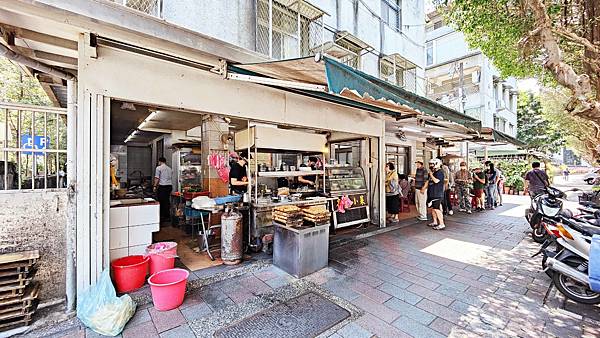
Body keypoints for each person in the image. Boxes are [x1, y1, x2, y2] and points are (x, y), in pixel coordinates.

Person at [427, 159, 445, 230]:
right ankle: (435, 221)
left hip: (437, 194)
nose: (431, 166)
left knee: (437, 209)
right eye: (430, 164)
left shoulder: (440, 172)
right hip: (432, 193)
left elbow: (436, 181)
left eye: (432, 164)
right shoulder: (434, 172)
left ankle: (441, 224)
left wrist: (431, 174)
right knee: (433, 209)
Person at [153, 157, 173, 222]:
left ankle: (162, 216)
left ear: (160, 161)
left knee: (161, 201)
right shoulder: (169, 168)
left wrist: (154, 186)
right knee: (167, 201)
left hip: (163, 186)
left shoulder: (158, 168)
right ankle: (167, 216)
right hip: (169, 186)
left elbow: (157, 178)